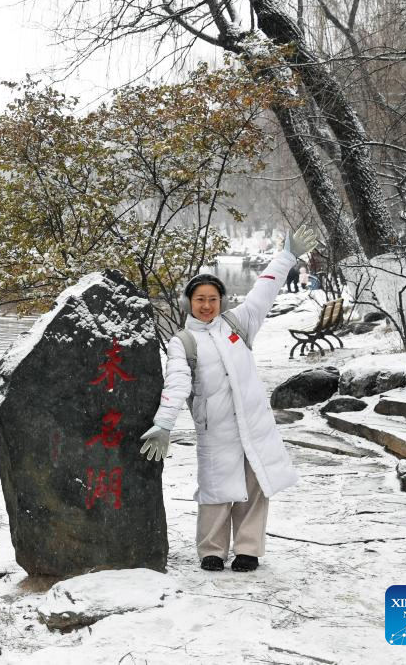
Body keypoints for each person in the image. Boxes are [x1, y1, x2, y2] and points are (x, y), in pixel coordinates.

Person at [139, 227, 317, 573]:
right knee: (216, 489)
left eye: (213, 299)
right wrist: (164, 424)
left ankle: (248, 549)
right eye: (200, 299)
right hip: (216, 429)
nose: (207, 306)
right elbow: (176, 382)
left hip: (254, 423)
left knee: (255, 484)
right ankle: (212, 550)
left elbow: (264, 289)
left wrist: (287, 256)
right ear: (189, 302)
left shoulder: (238, 324)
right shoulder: (183, 342)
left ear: (221, 301)